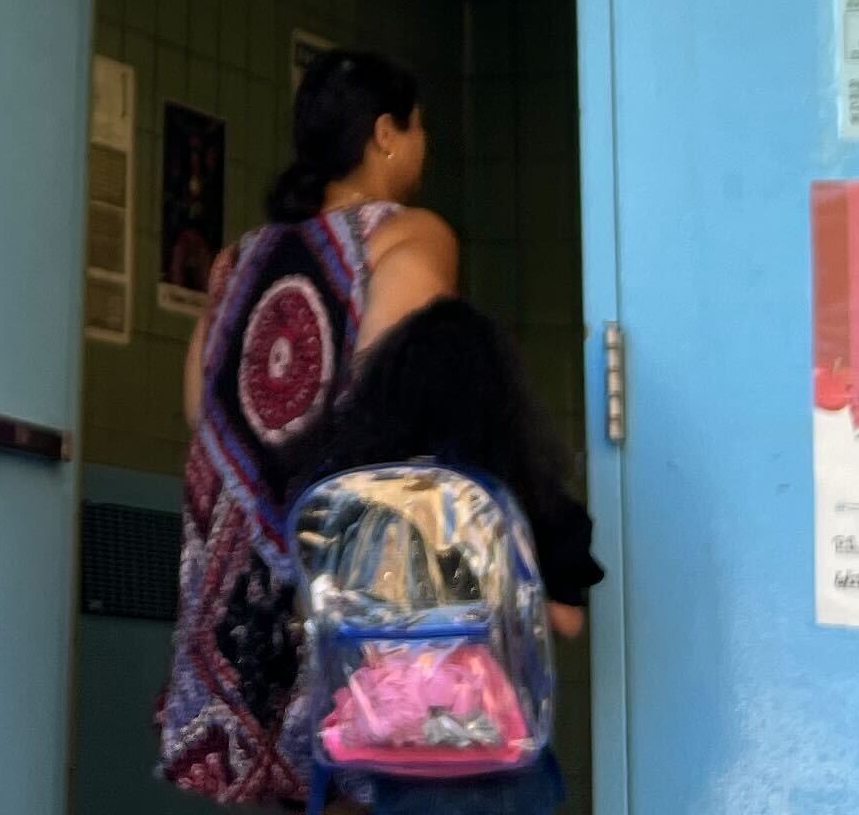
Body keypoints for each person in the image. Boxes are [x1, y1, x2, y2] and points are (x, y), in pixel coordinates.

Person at [161, 49, 460, 805]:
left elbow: (200, 406)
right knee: (372, 781)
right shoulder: (412, 236)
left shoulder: (238, 258)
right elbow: (399, 397)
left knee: (278, 789)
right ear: (387, 134)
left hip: (237, 570)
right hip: (351, 548)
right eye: (420, 129)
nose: (424, 148)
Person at [292, 296, 602, 814]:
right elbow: (565, 622)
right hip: (493, 744)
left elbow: (316, 612)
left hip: (392, 741)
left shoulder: (354, 500)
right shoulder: (526, 495)